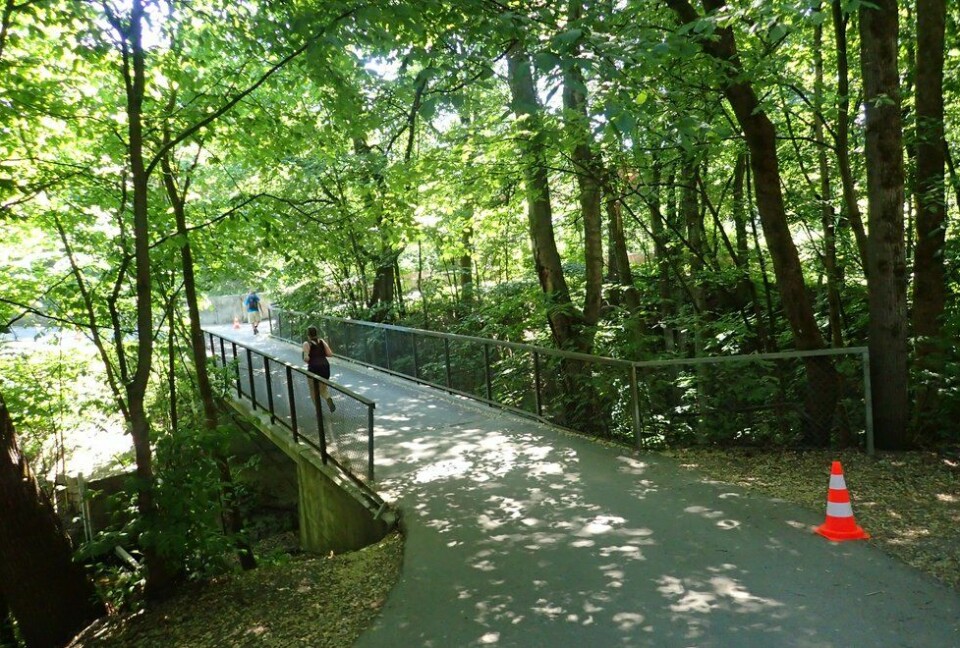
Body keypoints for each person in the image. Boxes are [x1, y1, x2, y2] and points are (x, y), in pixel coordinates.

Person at [302, 326, 335, 413]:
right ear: (316, 333)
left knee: (313, 391)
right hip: (325, 368)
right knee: (323, 389)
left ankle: (319, 411)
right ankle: (328, 398)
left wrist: (307, 357)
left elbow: (306, 358)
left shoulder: (306, 344)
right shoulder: (322, 341)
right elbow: (330, 354)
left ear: (308, 335)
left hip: (314, 369)